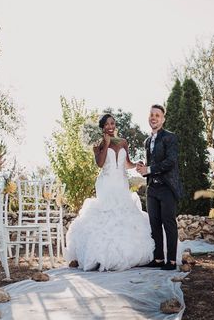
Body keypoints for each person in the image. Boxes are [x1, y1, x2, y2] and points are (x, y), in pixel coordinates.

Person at [65, 113, 155, 271]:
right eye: (107, 124)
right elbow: (100, 164)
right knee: (107, 215)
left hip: (121, 183)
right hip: (106, 183)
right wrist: (105, 144)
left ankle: (128, 255)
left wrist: (136, 164)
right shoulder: (98, 144)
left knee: (123, 215)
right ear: (102, 127)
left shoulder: (123, 142)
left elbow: (126, 164)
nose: (110, 126)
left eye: (112, 123)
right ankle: (100, 256)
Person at [136, 104, 183, 271]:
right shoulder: (147, 141)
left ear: (163, 119)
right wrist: (143, 169)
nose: (153, 117)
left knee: (168, 224)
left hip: (167, 187)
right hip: (152, 189)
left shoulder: (170, 138)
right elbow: (152, 164)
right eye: (151, 115)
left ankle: (171, 261)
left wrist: (149, 169)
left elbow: (171, 162)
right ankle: (158, 258)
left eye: (157, 115)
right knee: (154, 223)